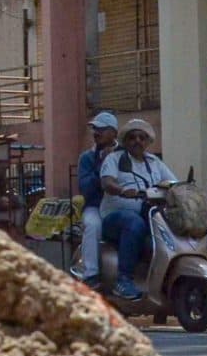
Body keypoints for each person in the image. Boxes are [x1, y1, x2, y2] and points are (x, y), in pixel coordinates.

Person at [97, 118, 173, 301]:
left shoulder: (155, 163)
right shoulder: (115, 159)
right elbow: (107, 182)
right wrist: (123, 190)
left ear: (148, 141)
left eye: (142, 137)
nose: (137, 141)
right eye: (132, 137)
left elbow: (172, 184)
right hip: (115, 218)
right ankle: (122, 280)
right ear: (125, 141)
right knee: (133, 222)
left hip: (149, 216)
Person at [74, 112, 119, 283]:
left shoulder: (123, 154)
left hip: (119, 205)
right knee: (93, 225)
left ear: (113, 132)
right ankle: (90, 274)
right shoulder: (86, 158)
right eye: (95, 129)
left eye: (101, 129)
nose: (96, 132)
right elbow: (86, 188)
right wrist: (101, 165)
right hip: (96, 206)